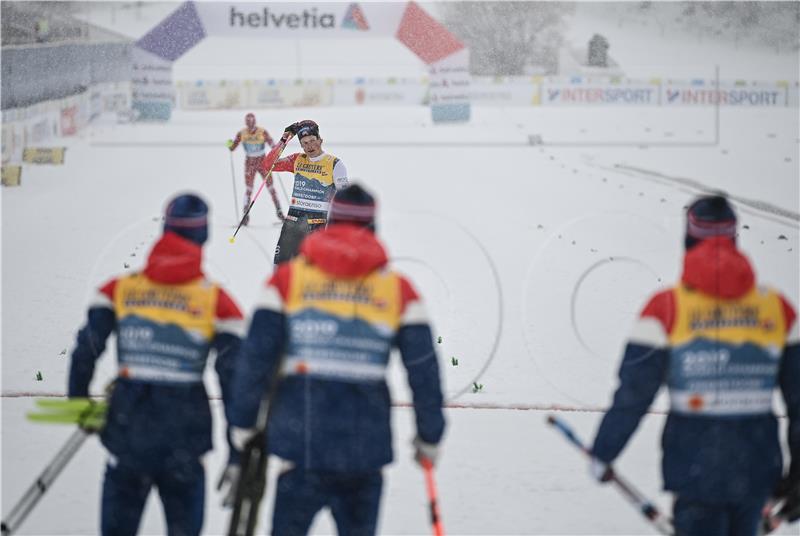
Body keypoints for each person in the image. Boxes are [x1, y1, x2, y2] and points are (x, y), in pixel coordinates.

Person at [225, 184, 445, 535]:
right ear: (372, 227)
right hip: (364, 451)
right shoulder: (398, 289)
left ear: (330, 221)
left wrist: (243, 424)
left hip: (301, 445)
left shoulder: (288, 279)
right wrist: (430, 434)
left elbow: (255, 359)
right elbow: (423, 371)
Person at [589, 195, 800, 535]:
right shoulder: (777, 308)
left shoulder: (665, 308)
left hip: (694, 470)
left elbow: (633, 394)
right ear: (734, 238)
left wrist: (604, 451)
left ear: (689, 239)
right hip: (756, 470)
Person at [67, 193, 246, 536]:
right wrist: (237, 450)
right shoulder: (218, 302)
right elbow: (234, 381)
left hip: (128, 434)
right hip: (185, 442)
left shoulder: (118, 289)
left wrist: (80, 405)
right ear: (203, 235)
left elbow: (85, 351)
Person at [268, 119, 348, 264]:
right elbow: (268, 165)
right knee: (281, 268)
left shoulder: (335, 164)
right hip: (292, 224)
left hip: (317, 225)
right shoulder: (297, 160)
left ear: (320, 140)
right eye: (305, 143)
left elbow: (346, 200)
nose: (310, 146)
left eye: (312, 140)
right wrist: (284, 139)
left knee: (313, 271)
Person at [227, 113, 284, 225]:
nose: (251, 125)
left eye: (252, 123)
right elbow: (233, 147)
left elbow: (272, 144)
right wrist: (230, 144)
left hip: (263, 162)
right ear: (246, 123)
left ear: (255, 122)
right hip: (250, 163)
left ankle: (280, 213)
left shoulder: (262, 131)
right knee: (249, 189)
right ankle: (245, 216)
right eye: (249, 123)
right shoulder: (242, 133)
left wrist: (276, 149)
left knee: (271, 187)